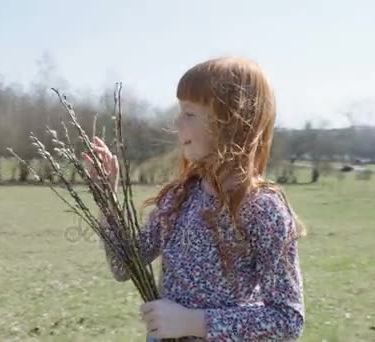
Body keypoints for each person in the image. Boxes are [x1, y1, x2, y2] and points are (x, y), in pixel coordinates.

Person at [83, 56, 306, 341]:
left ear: (231, 121)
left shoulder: (263, 209)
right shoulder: (180, 198)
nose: (176, 123)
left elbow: (288, 319)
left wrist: (194, 323)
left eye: (189, 113)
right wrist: (106, 198)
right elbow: (124, 266)